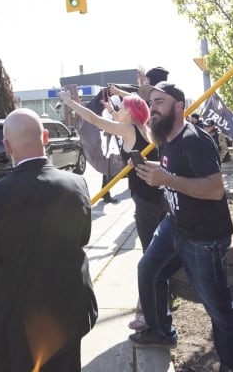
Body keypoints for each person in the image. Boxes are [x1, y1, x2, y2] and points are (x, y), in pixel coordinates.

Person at [0, 109, 97, 372]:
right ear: (46, 137)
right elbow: (81, 236)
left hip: (10, 333)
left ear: (6, 146)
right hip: (65, 318)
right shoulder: (76, 184)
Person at [132, 83, 233, 372]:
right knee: (149, 270)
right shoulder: (163, 136)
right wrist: (156, 172)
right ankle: (161, 332)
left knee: (218, 306)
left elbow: (214, 189)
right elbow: (175, 174)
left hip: (204, 239)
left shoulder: (195, 140)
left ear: (179, 105)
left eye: (160, 101)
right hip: (175, 224)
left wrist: (166, 178)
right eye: (151, 102)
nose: (153, 106)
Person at [59, 88, 169, 330]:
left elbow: (95, 121)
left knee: (149, 259)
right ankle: (157, 305)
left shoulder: (128, 129)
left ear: (130, 111)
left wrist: (70, 104)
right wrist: (111, 110)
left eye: (121, 108)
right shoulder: (143, 128)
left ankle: (148, 312)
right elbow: (110, 118)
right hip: (157, 196)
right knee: (156, 255)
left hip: (147, 201)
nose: (117, 111)